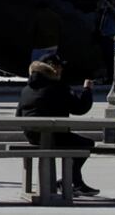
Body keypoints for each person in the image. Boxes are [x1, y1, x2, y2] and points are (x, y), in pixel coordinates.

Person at [16, 53, 98, 196]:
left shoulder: (27, 88)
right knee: (86, 144)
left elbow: (18, 115)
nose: (61, 70)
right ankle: (71, 181)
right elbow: (79, 108)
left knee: (77, 143)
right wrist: (87, 90)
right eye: (59, 67)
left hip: (32, 136)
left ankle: (75, 183)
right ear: (52, 68)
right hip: (55, 136)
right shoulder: (58, 86)